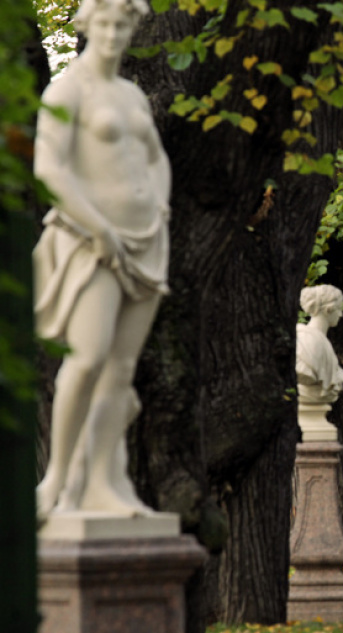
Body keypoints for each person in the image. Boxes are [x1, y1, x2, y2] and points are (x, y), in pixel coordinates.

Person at [33, 0, 170, 519]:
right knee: (88, 358)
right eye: (105, 24)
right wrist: (98, 226)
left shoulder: (130, 94)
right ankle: (57, 482)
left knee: (121, 369)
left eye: (123, 24)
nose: (113, 34)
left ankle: (102, 488)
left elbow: (155, 160)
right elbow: (49, 168)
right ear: (87, 25)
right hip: (90, 242)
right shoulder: (68, 88)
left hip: (145, 241)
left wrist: (158, 205)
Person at [295, 285, 343, 404]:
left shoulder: (323, 343)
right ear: (329, 309)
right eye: (339, 309)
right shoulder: (305, 339)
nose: (341, 314)